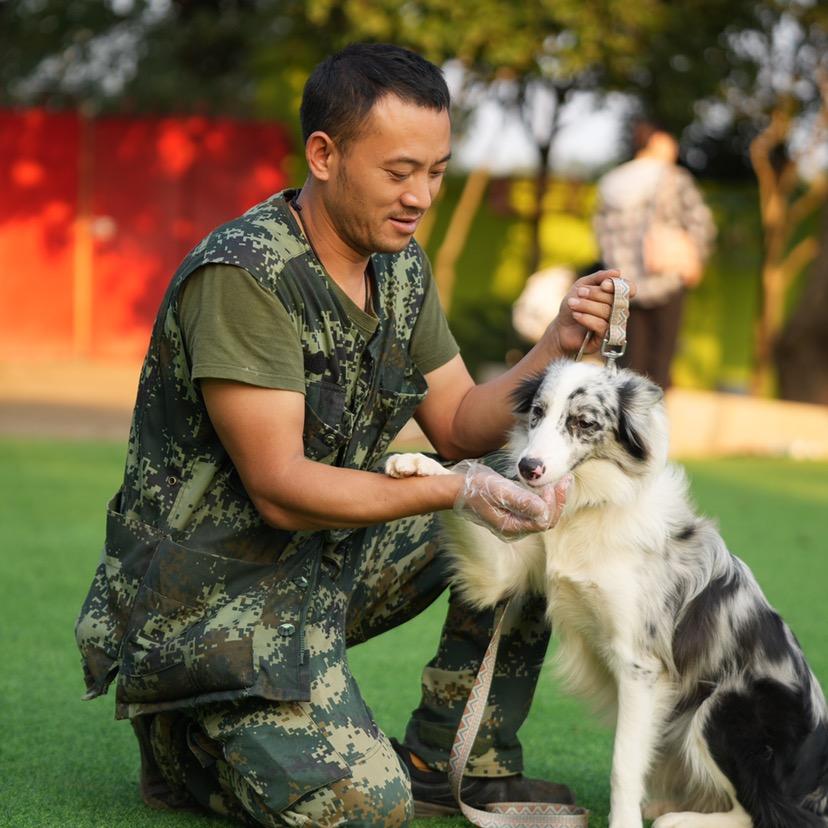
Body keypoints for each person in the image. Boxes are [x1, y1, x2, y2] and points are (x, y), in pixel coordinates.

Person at [75, 43, 625, 827]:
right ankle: (183, 730)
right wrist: (458, 489)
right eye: (399, 171)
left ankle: (454, 756)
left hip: (316, 564)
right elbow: (281, 488)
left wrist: (556, 346)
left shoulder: (398, 264)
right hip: (208, 601)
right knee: (363, 807)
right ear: (324, 156)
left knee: (535, 515)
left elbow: (462, 421)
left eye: (436, 172)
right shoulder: (245, 276)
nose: (421, 197)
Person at [593, 119, 715, 389]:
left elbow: (601, 235)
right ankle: (650, 424)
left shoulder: (611, 182)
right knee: (659, 364)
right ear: (656, 142)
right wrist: (695, 260)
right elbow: (702, 223)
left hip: (624, 285)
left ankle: (622, 424)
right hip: (666, 280)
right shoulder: (673, 178)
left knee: (626, 363)